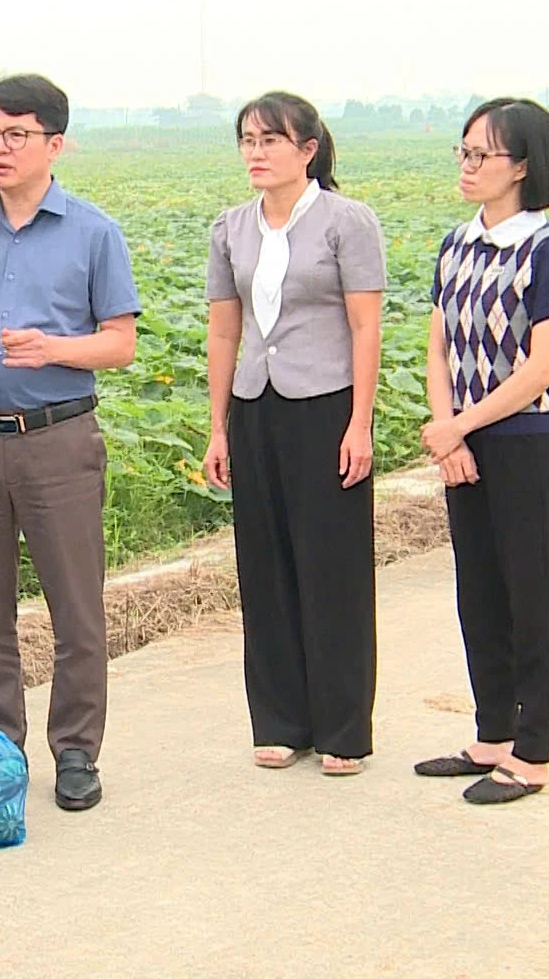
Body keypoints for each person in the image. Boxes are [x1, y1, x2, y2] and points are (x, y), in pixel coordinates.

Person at [0, 73, 141, 812]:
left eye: (16, 134)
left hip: (59, 440)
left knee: (76, 610)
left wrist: (55, 349)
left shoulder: (93, 233)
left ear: (55, 144)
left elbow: (120, 343)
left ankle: (75, 751)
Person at [201, 92, 386, 776]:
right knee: (265, 566)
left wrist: (359, 423)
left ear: (308, 149)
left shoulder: (346, 221)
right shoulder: (230, 228)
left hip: (326, 406)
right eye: (248, 140)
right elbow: (225, 331)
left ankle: (343, 730)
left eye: (271, 140)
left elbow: (365, 326)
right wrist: (218, 427)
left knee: (333, 567)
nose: (256, 153)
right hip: (256, 405)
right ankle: (281, 722)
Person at [412, 97, 549, 805]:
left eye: (482, 154)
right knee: (479, 594)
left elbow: (543, 367)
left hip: (526, 444)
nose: (468, 164)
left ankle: (533, 753)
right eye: (463, 151)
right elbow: (438, 345)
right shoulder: (456, 245)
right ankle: (492, 737)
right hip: (465, 443)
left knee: (534, 600)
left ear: (523, 166)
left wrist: (461, 425)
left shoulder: (548, 251)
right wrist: (446, 426)